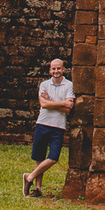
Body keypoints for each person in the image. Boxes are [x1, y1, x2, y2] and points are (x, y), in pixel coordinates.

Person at [23, 58, 74, 198]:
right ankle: (37, 189)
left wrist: (50, 101)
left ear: (63, 69)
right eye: (53, 69)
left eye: (59, 68)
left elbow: (69, 108)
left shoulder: (69, 85)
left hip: (58, 126)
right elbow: (43, 105)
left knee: (53, 157)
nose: (56, 71)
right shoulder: (44, 84)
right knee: (39, 157)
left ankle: (29, 177)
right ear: (50, 70)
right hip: (42, 124)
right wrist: (61, 103)